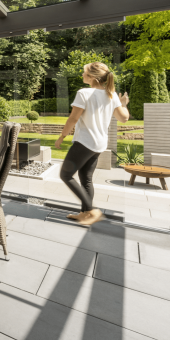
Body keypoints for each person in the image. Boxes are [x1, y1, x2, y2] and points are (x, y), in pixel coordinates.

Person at [54, 62, 130, 226]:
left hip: (85, 142)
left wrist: (62, 136)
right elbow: (124, 118)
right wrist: (123, 103)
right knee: (85, 178)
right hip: (99, 144)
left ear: (93, 77)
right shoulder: (112, 95)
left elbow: (73, 119)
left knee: (65, 175)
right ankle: (84, 214)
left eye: (84, 73)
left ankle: (91, 210)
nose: (82, 75)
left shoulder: (84, 93)